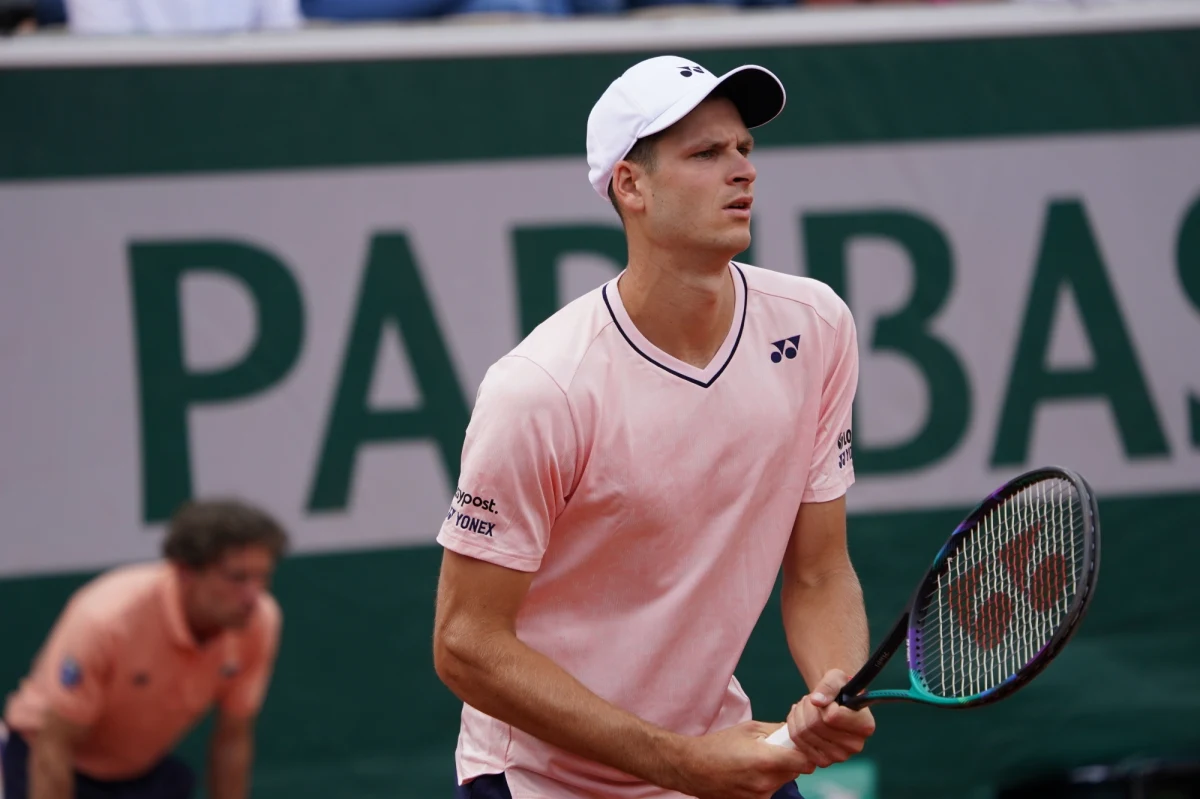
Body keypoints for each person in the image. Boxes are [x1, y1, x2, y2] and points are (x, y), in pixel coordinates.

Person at [433, 54, 875, 799]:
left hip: (713, 753)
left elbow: (819, 568)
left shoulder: (816, 326)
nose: (742, 171)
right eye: (706, 154)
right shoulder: (542, 389)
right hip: (544, 781)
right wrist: (680, 762)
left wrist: (838, 684)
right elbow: (465, 644)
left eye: (744, 149)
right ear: (629, 186)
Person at [1, 499, 288, 799]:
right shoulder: (107, 619)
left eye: (262, 577)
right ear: (185, 571)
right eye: (237, 578)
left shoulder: (260, 621)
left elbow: (232, 739)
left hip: (138, 774)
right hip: (44, 762)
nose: (253, 595)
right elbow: (53, 746)